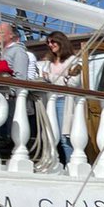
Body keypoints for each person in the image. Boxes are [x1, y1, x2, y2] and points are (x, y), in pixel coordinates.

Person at [38, 31, 81, 164]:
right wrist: (62, 78)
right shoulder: (48, 62)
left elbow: (73, 83)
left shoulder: (73, 60)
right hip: (51, 100)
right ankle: (56, 164)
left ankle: (71, 164)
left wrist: (50, 77)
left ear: (61, 41)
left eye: (53, 41)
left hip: (65, 101)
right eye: (48, 43)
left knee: (65, 137)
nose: (51, 45)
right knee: (51, 136)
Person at [0, 21, 34, 157]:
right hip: (1, 99)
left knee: (12, 133)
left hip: (12, 100)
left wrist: (14, 95)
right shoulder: (2, 52)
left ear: (11, 35)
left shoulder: (18, 51)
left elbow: (21, 76)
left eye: (0, 32)